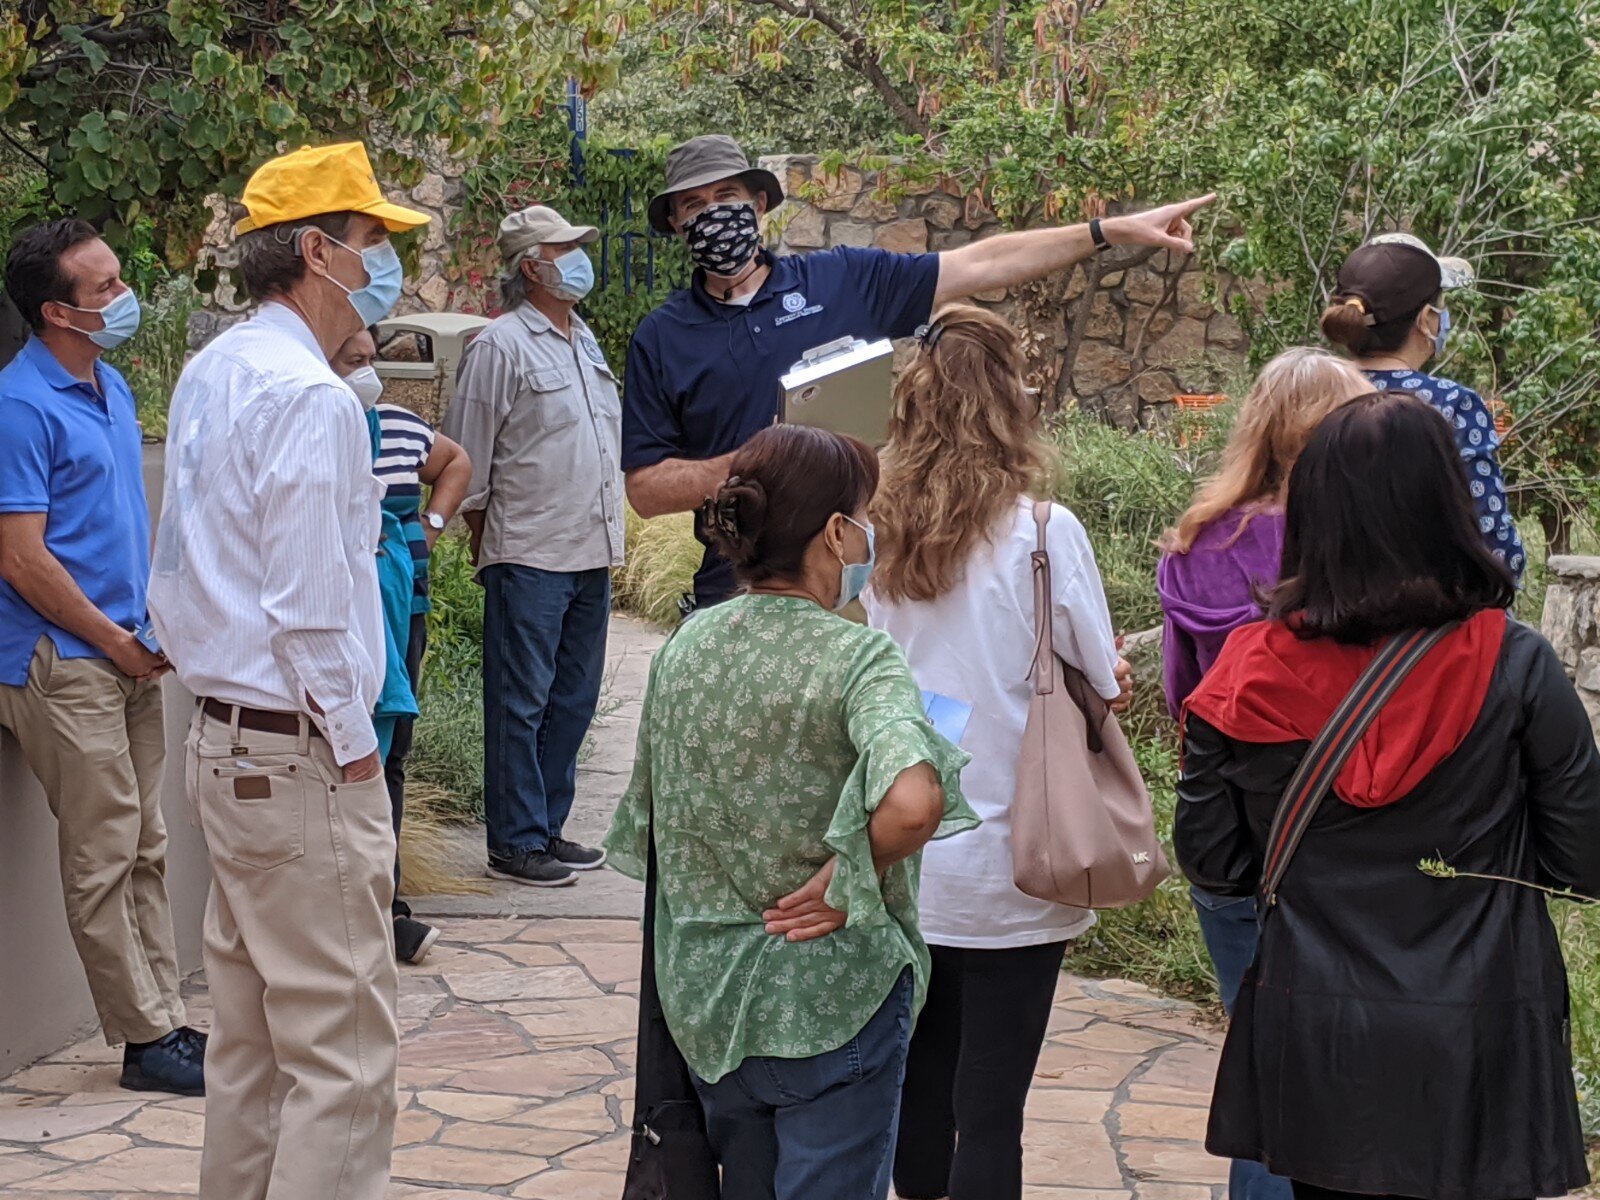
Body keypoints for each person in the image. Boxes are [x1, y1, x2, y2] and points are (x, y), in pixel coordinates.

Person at [1174, 392, 1600, 1200]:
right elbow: (1584, 860)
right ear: (1448, 504)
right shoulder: (1516, 666)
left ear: (1315, 514)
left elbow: (1215, 864)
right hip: (1481, 1026)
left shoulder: (1246, 671)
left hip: (1316, 1029)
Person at [147, 141, 429, 1200]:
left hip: (225, 743)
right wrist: (355, 758)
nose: (388, 261)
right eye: (372, 241)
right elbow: (312, 612)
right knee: (344, 1059)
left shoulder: (216, 370)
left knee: (254, 1046)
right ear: (317, 250)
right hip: (301, 755)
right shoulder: (314, 401)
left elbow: (172, 574)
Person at [604, 423, 979, 1200]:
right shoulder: (857, 659)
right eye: (863, 518)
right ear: (838, 533)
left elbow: (657, 827)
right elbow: (913, 802)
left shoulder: (686, 648)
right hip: (831, 1001)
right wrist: (853, 869)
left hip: (709, 1007)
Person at [623, 132, 1216, 611]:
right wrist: (758, 459)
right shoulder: (662, 337)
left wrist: (1107, 231)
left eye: (726, 197)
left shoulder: (842, 282)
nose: (712, 216)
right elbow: (645, 491)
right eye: (693, 206)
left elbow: (984, 261)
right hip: (734, 589)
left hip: (855, 581)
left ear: (757, 205)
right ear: (676, 226)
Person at [861, 305, 1126, 1200]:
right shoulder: (1045, 533)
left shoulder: (872, 525)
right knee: (994, 1106)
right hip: (1018, 841)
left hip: (904, 829)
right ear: (1014, 399)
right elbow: (1102, 672)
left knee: (919, 1087)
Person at [1154, 347, 1368, 1200]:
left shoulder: (1198, 540)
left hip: (1232, 832)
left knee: (1261, 1053)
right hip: (1344, 827)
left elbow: (1182, 695)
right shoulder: (1358, 545)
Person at [0, 219, 204, 1095]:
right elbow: (21, 556)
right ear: (56, 311)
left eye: (120, 280)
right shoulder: (17, 406)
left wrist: (150, 627)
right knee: (104, 849)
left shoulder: (112, 385)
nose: (124, 297)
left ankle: (162, 1019)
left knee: (147, 841)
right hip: (64, 658)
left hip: (127, 652)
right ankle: (144, 1037)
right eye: (105, 289)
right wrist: (111, 639)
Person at [443, 204, 621, 889]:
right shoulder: (499, 346)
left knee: (571, 701)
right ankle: (515, 842)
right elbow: (468, 455)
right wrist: (487, 544)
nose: (579, 257)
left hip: (589, 548)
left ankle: (546, 827)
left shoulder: (583, 339)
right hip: (529, 552)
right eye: (565, 248)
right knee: (522, 702)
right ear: (532, 266)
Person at [329, 326, 471, 965]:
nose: (367, 372)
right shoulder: (319, 433)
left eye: (369, 359)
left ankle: (388, 903)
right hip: (349, 620)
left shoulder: (397, 426)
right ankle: (368, 909)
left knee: (391, 755)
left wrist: (430, 526)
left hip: (401, 612)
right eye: (352, 360)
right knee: (357, 753)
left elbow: (457, 462)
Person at [1320, 232, 1525, 580]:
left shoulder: (1309, 393)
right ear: (1427, 318)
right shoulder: (1453, 405)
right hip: (1428, 611)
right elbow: (1492, 541)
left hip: (1328, 605)